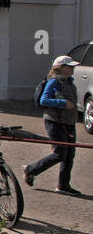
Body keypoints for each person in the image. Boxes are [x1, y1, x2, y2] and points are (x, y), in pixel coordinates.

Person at [24, 55, 81, 195]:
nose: (72, 69)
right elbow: (44, 100)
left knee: (69, 155)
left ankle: (63, 185)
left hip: (68, 122)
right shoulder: (54, 81)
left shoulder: (69, 81)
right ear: (60, 68)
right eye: (69, 67)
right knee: (59, 154)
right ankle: (31, 169)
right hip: (55, 121)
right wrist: (63, 103)